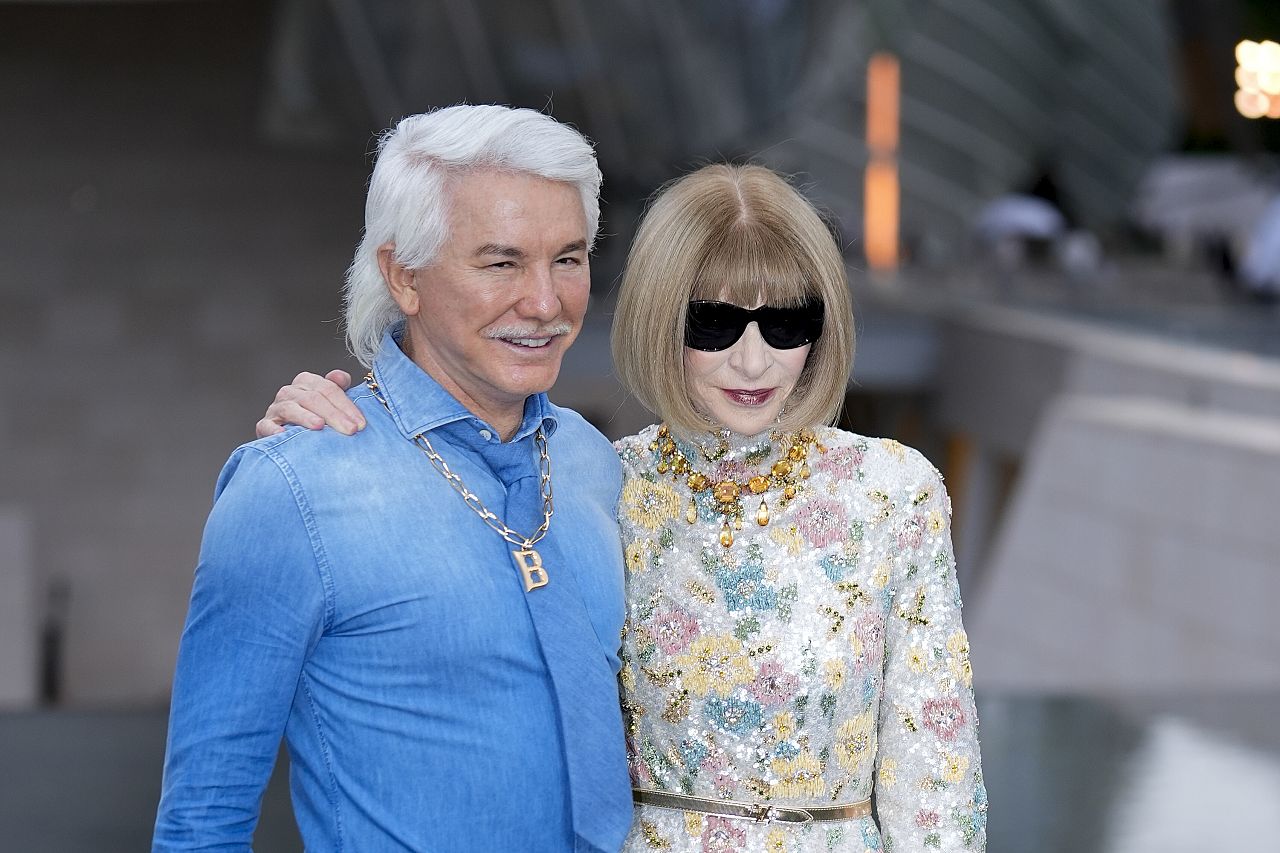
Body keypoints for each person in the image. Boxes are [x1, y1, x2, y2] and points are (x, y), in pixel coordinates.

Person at [266, 164, 987, 851]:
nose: (754, 358)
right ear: (660, 317)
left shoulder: (892, 491)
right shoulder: (594, 481)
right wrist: (334, 437)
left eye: (787, 322)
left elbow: (936, 766)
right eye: (714, 322)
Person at [153, 105, 633, 852]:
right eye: (502, 261)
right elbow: (200, 823)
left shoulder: (594, 463)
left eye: (567, 258)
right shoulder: (293, 488)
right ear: (402, 276)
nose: (547, 302)